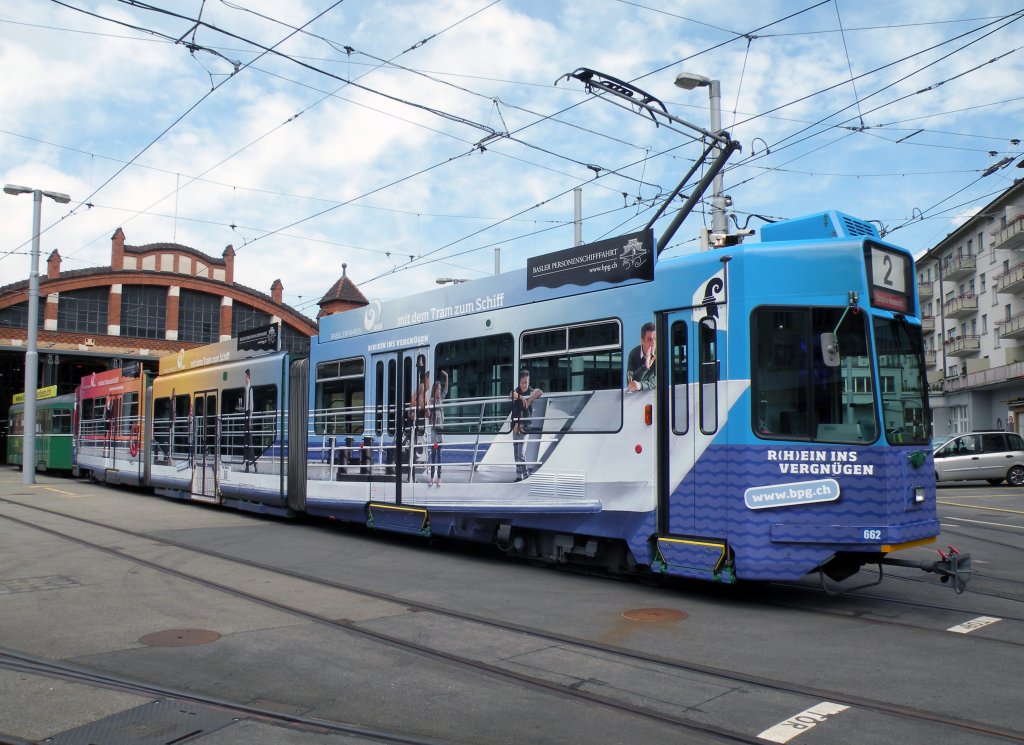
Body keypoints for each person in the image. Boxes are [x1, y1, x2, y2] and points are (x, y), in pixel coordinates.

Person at [510, 369, 543, 481]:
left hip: (524, 426)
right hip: (515, 426)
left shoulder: (530, 391)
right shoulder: (517, 391)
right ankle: (520, 475)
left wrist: (529, 399)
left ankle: (524, 474)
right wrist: (521, 398)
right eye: (523, 382)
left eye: (526, 382)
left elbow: (540, 392)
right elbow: (511, 394)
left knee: (520, 453)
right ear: (519, 382)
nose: (524, 385)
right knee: (516, 453)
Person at [426, 369, 449, 486]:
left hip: (441, 432)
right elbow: (428, 414)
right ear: (434, 390)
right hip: (434, 432)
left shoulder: (441, 399)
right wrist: (428, 407)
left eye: (440, 389)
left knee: (439, 455)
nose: (439, 391)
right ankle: (432, 477)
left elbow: (446, 389)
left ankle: (439, 477)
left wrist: (446, 376)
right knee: (433, 454)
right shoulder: (432, 400)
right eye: (437, 389)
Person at [626, 321, 656, 391]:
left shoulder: (660, 353)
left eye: (655, 339)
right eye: (650, 339)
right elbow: (630, 382)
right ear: (642, 341)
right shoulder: (633, 353)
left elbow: (658, 380)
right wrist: (645, 368)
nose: (653, 343)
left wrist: (641, 385)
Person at [242, 368, 255, 472]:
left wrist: (250, 418)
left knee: (249, 442)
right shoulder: (245, 389)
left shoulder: (250, 389)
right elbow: (246, 405)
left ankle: (253, 463)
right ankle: (247, 464)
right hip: (245, 414)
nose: (245, 379)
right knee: (246, 441)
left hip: (248, 415)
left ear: (248, 377)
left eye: (245, 377)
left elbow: (251, 405)